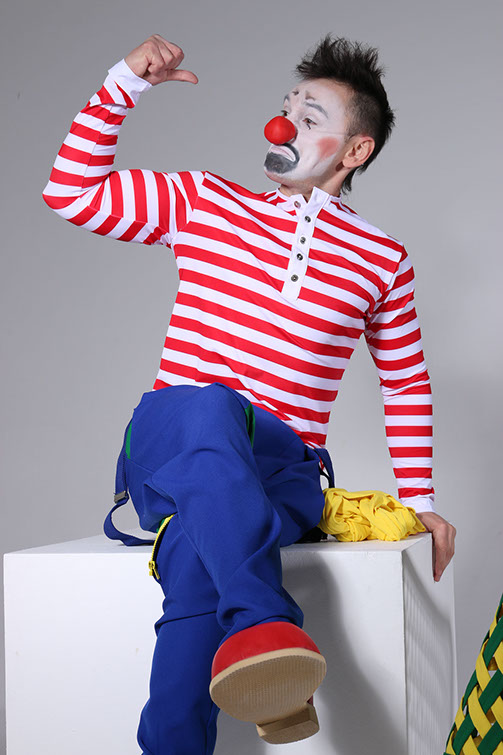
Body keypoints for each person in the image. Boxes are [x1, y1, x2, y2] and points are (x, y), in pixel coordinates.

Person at [43, 33, 456, 754]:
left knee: (193, 564)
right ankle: (266, 620)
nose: (280, 125)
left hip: (279, 470)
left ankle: (184, 731)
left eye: (308, 117)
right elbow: (70, 192)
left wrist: (419, 500)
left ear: (355, 150)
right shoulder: (203, 201)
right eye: (284, 109)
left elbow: (404, 379)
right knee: (209, 404)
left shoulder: (382, 260)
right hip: (174, 443)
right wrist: (122, 84)